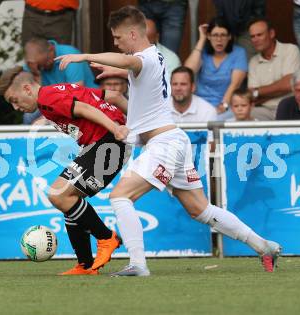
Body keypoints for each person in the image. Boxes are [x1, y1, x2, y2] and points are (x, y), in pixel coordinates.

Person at [57, 5, 281, 276]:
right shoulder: (153, 58)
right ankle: (263, 245)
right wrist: (117, 88)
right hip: (172, 140)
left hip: (164, 144)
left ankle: (138, 264)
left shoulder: (145, 58)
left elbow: (129, 62)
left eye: (117, 38)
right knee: (200, 209)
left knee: (120, 196)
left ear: (131, 33)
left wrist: (85, 56)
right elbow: (139, 97)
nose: (116, 43)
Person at [0, 66, 131, 275]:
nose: (16, 107)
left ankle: (106, 237)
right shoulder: (58, 90)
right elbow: (113, 95)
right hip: (105, 143)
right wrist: (135, 123)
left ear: (27, 89)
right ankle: (86, 265)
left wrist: (116, 129)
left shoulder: (47, 98)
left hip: (108, 143)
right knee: (67, 197)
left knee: (58, 194)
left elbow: (86, 110)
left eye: (14, 99)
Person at [22, 37, 97, 124]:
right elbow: (32, 95)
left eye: (45, 62)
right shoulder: (34, 63)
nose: (44, 68)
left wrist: (47, 117)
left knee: (44, 121)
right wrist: (35, 74)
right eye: (40, 67)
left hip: (84, 100)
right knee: (28, 116)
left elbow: (76, 93)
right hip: (54, 102)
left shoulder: (69, 54)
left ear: (51, 49)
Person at [184, 17, 248, 121]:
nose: (219, 39)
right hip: (200, 105)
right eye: (215, 35)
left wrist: (224, 105)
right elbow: (187, 72)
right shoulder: (203, 52)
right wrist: (202, 39)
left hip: (226, 106)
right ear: (209, 36)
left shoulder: (238, 53)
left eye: (223, 35)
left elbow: (235, 84)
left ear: (229, 37)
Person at [248, 17, 300, 120]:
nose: (255, 40)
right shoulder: (253, 62)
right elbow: (253, 98)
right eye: (252, 36)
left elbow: (288, 84)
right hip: (264, 111)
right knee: (247, 114)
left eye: (259, 35)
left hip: (290, 108)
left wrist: (258, 91)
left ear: (271, 34)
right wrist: (280, 89)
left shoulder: (290, 50)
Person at [146, 18, 181, 83]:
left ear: (157, 37)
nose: (143, 48)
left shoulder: (171, 59)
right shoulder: (128, 54)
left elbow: (171, 88)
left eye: (148, 43)